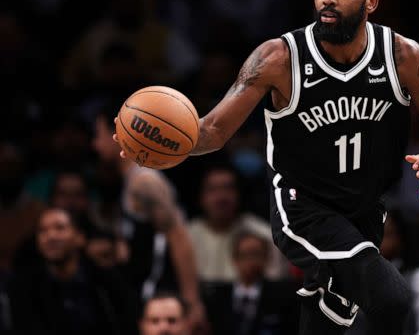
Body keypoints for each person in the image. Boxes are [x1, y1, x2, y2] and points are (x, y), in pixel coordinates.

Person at [115, 0, 419, 334]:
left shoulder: (403, 57)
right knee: (393, 297)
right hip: (303, 208)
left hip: (365, 212)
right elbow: (212, 131)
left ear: (371, 1)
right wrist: (158, 146)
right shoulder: (279, 58)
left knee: (327, 319)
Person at [94, 103, 207, 333]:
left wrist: (192, 302)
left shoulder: (144, 182)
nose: (94, 144)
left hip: (162, 296)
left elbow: (178, 235)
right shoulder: (130, 181)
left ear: (117, 135)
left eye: (98, 135)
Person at [8, 208, 138, 335]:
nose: (51, 236)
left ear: (79, 237)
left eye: (60, 228)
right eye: (42, 231)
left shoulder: (106, 282)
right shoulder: (25, 287)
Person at [187, 164, 288, 281]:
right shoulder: (187, 236)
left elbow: (276, 283)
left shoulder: (265, 234)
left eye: (228, 188)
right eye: (212, 189)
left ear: (239, 194)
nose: (221, 197)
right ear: (201, 197)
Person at [202, 230, 299, 335]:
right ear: (235, 259)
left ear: (266, 258)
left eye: (256, 254)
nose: (251, 261)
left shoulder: (283, 296)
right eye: (245, 255)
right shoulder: (218, 297)